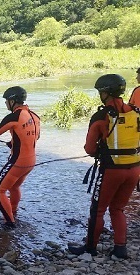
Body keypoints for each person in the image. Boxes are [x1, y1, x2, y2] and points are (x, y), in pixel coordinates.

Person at [68, 74, 140, 258]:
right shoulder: (136, 112)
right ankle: (120, 248)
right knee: (118, 208)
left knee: (98, 210)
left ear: (106, 93)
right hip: (134, 169)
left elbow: (90, 149)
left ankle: (90, 248)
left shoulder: (100, 116)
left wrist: (100, 149)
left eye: (101, 91)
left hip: (112, 170)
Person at [0, 86, 41, 229]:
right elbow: (34, 137)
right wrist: (12, 144)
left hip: (18, 161)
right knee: (14, 186)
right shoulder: (34, 116)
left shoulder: (14, 116)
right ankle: (13, 212)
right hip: (31, 161)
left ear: (13, 101)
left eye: (6, 100)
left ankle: (9, 223)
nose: (5, 103)